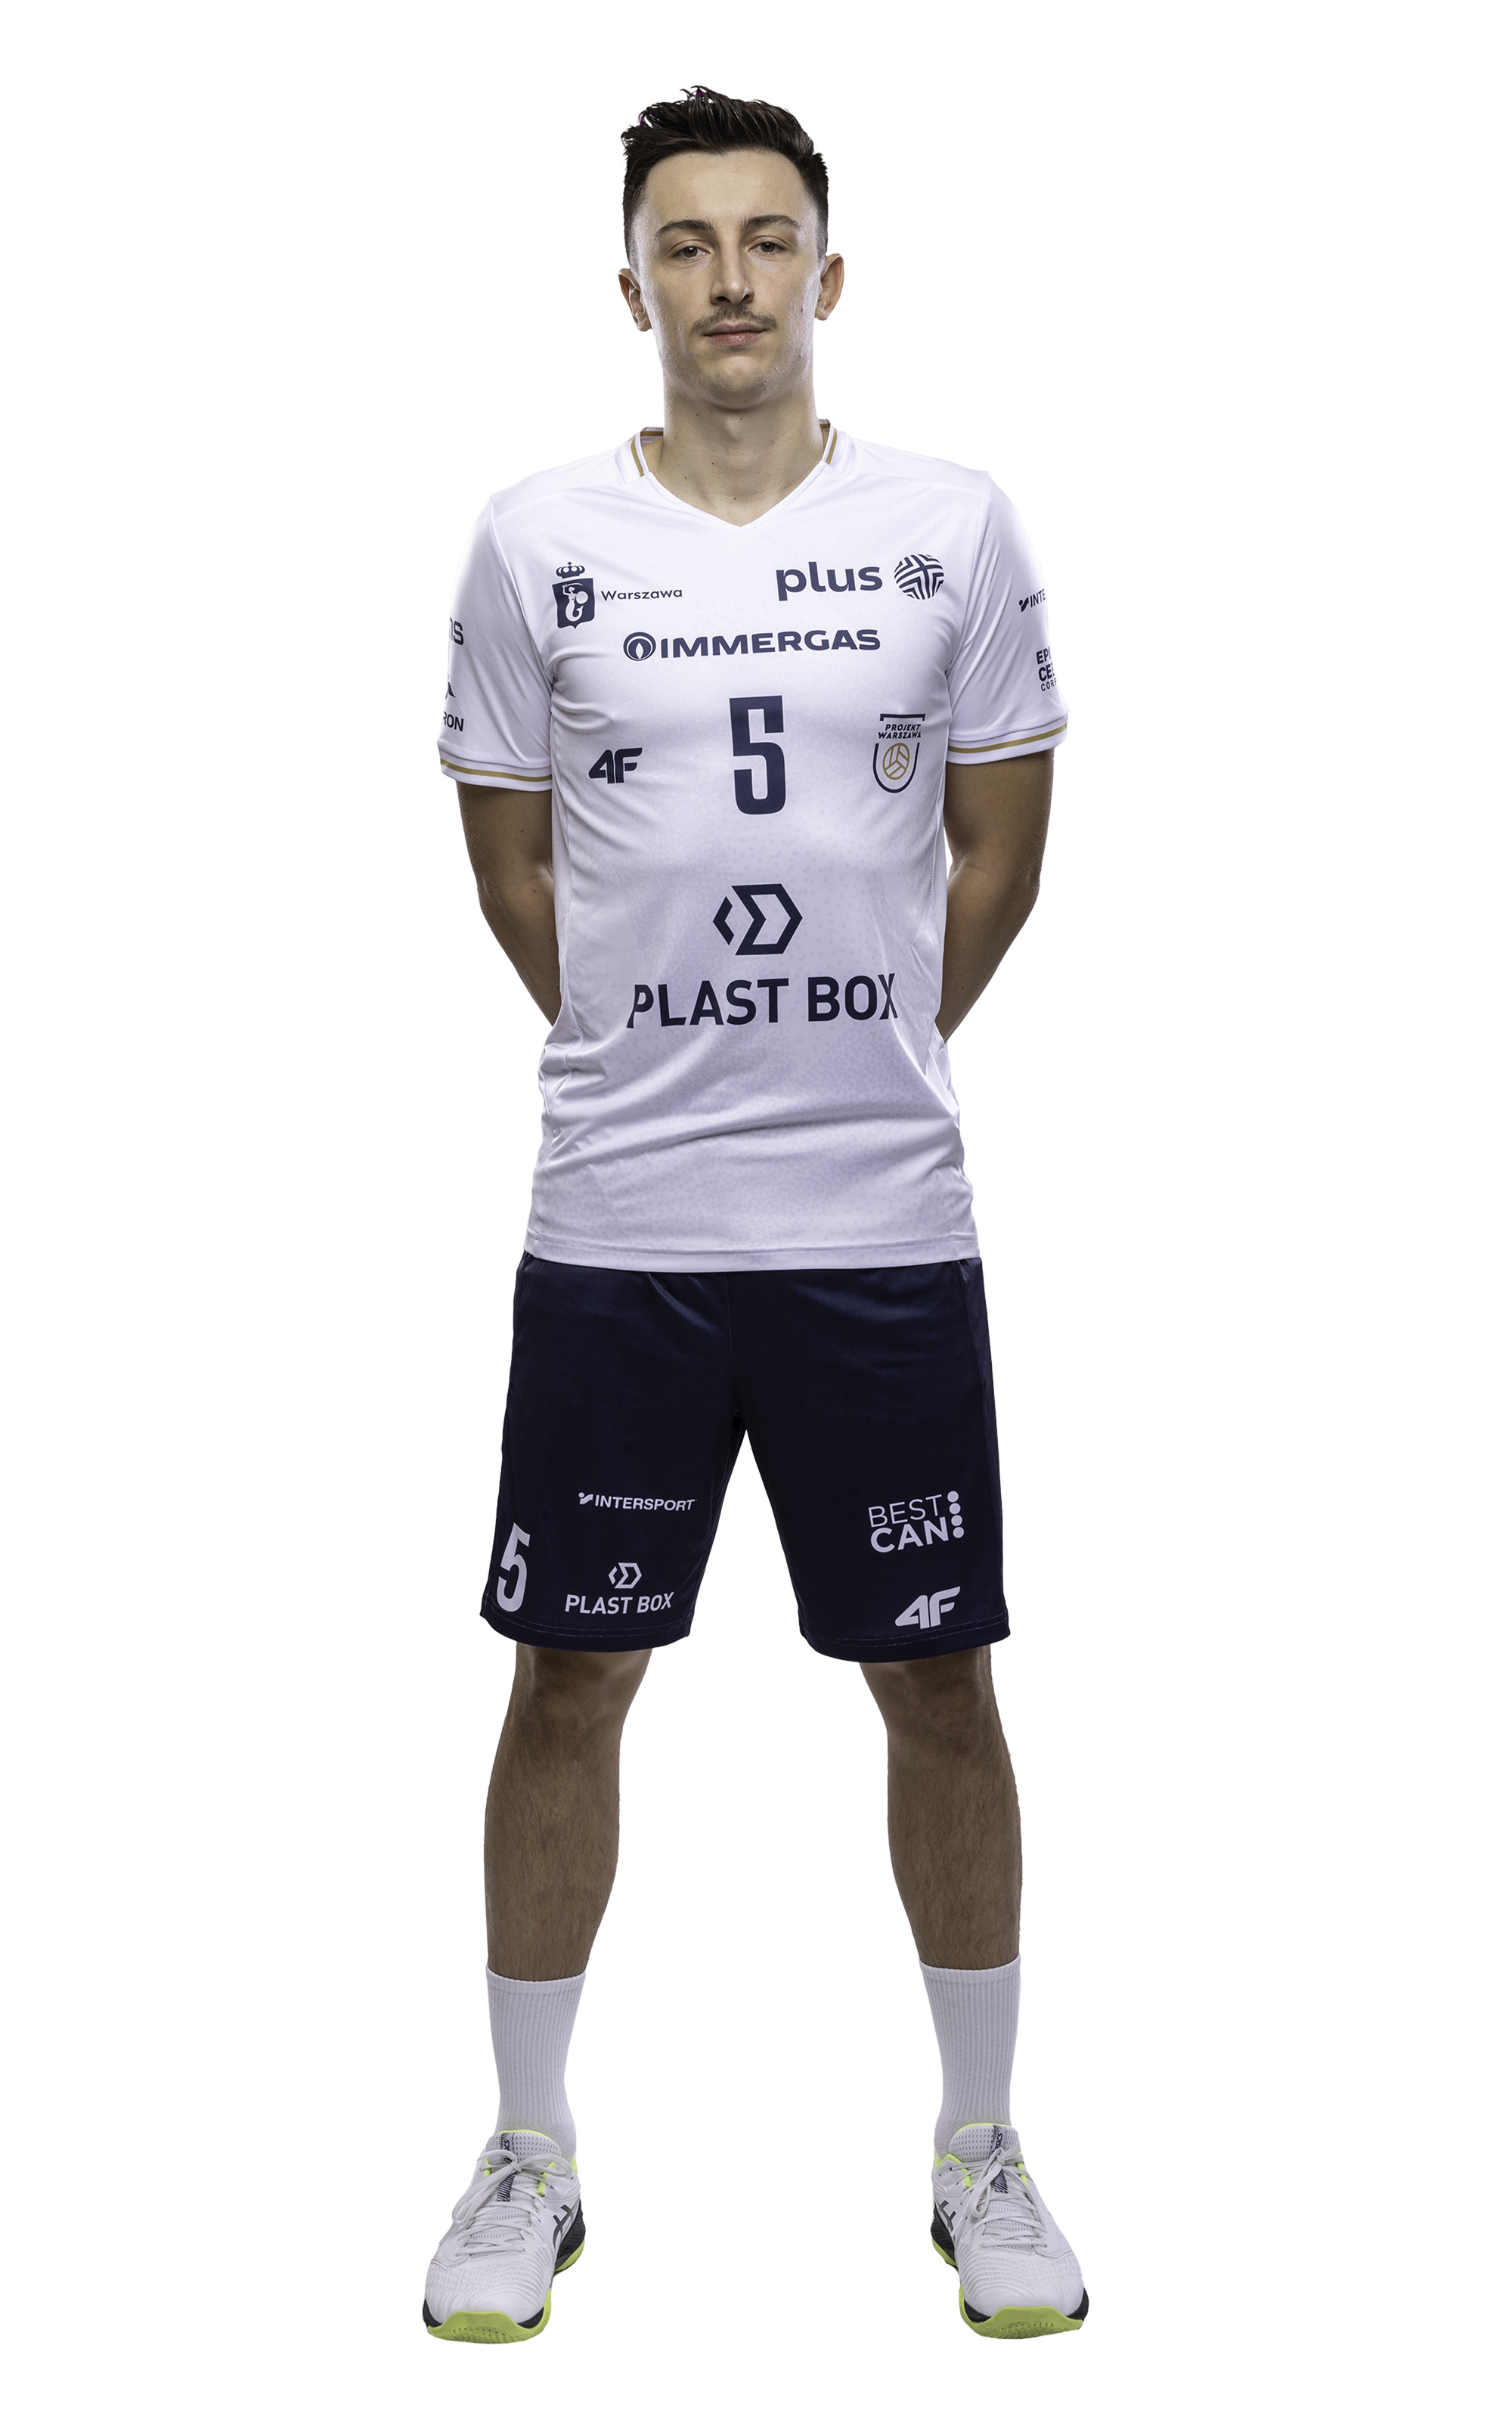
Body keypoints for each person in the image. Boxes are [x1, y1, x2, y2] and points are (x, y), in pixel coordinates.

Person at [423, 86, 1086, 2346]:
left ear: (830, 270)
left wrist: (852, 1042)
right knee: (567, 1674)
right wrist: (668, 1053)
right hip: (622, 1225)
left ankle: (983, 2147)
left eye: (767, 237)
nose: (730, 278)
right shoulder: (537, 540)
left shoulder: (949, 526)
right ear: (631, 283)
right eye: (687, 243)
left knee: (939, 1675)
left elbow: (998, 853)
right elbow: (519, 872)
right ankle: (528, 2151)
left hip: (880, 1222)